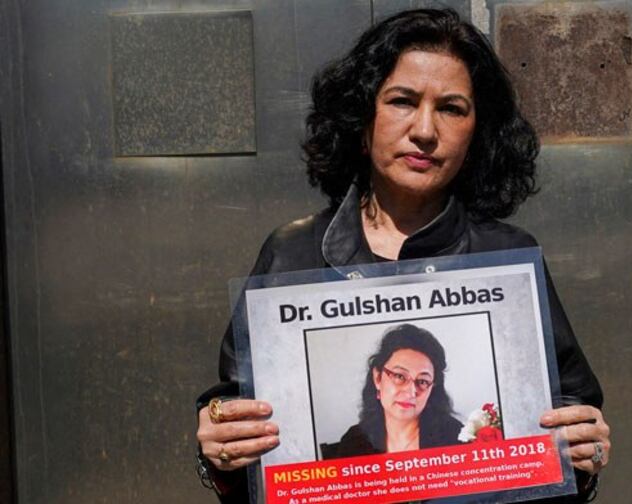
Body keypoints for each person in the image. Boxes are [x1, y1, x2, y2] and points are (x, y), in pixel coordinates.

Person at [195, 8, 611, 503]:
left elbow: (568, 416)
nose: (425, 130)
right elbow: (242, 430)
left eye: (452, 109)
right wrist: (221, 442)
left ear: (478, 129)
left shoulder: (508, 256)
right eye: (402, 101)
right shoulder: (292, 253)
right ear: (362, 116)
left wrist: (583, 453)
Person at [322, 324, 463, 460]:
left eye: (422, 382)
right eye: (399, 376)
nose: (410, 392)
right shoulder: (354, 441)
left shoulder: (455, 438)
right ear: (377, 378)